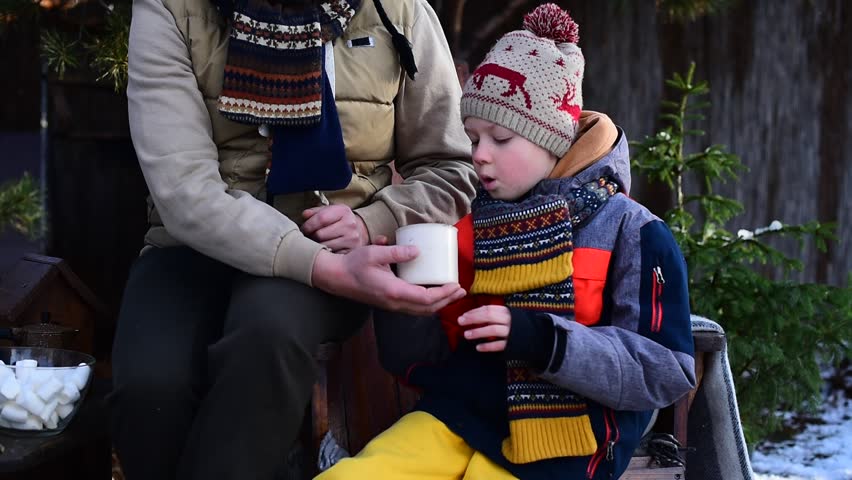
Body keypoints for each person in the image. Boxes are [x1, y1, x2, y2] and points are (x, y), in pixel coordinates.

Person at [316, 4, 697, 479]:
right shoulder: (467, 219)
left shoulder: (634, 232)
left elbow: (665, 372)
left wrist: (542, 340)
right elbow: (423, 363)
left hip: (572, 439)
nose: (480, 157)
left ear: (554, 139)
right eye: (473, 138)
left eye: (499, 139)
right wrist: (400, 297)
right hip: (460, 414)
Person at [108, 0, 478, 478]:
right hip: (195, 244)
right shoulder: (170, 8)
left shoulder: (400, 10)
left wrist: (375, 220)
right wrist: (325, 267)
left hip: (334, 238)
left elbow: (450, 167)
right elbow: (183, 191)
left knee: (267, 336)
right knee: (149, 386)